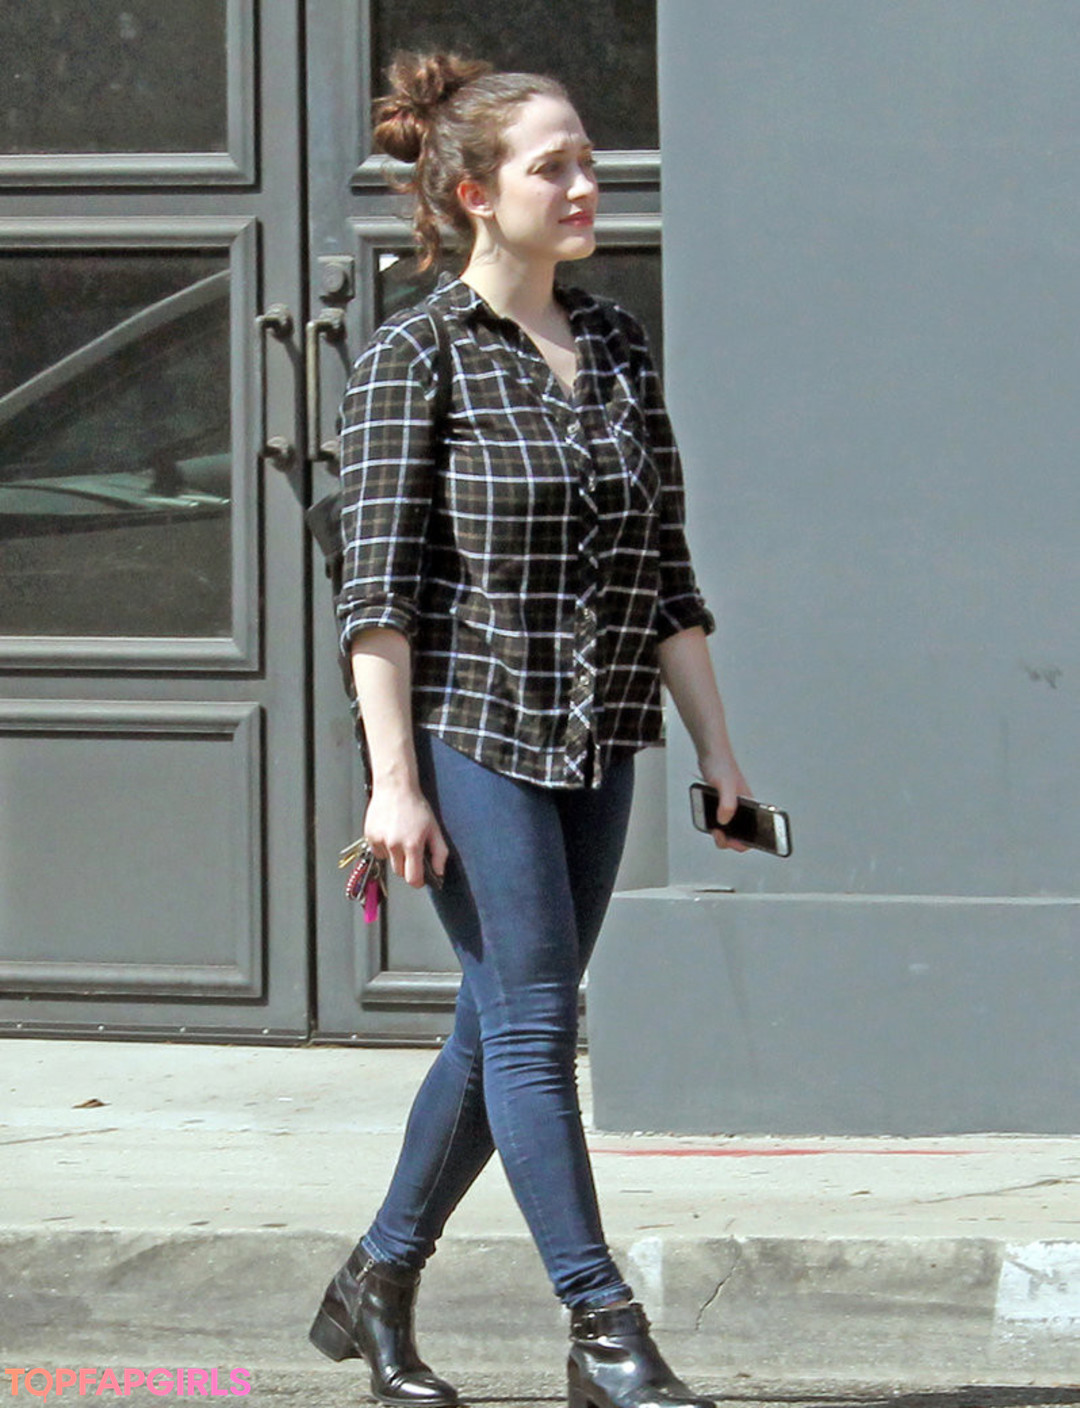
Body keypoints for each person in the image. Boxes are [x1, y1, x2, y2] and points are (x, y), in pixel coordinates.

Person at [309, 52, 750, 1408]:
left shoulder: (614, 344)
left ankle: (377, 1279)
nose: (583, 185)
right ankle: (602, 1326)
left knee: (498, 1023)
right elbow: (376, 597)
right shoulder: (415, 358)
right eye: (551, 166)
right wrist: (394, 786)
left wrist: (720, 754)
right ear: (473, 194)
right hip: (471, 735)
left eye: (587, 161)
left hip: (599, 736)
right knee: (537, 1028)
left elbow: (665, 572)